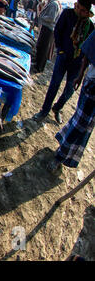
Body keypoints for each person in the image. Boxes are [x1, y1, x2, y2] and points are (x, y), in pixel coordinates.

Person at [33, 0, 94, 124]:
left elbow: (88, 48)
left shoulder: (90, 26)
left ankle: (57, 107)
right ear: (77, 6)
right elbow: (57, 31)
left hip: (77, 63)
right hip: (63, 56)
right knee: (54, 84)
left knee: (70, 90)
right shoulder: (68, 14)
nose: (82, 13)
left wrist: (82, 67)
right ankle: (44, 110)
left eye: (85, 11)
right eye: (80, 9)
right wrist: (60, 50)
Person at [46, 30, 95, 175]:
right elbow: (87, 53)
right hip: (92, 85)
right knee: (81, 124)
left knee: (86, 125)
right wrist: (80, 77)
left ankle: (63, 142)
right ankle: (60, 156)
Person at [33, 0, 61, 73]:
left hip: (48, 29)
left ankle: (39, 67)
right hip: (46, 28)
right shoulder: (52, 3)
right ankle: (37, 64)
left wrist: (42, 17)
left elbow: (51, 18)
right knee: (41, 46)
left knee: (44, 48)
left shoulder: (54, 4)